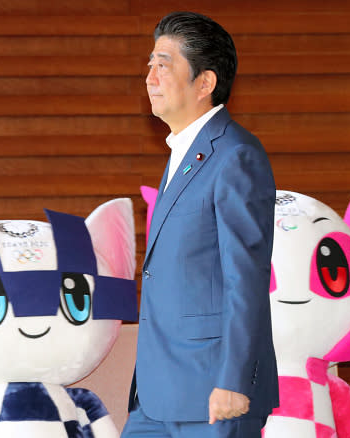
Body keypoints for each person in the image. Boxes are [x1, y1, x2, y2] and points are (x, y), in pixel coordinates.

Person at [121, 11, 278, 438]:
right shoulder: (183, 153)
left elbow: (245, 276)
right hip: (157, 394)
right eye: (149, 64)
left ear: (204, 83)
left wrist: (233, 380)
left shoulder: (235, 155)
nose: (149, 76)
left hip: (214, 392)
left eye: (163, 64)